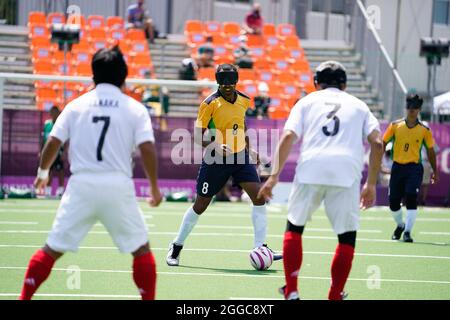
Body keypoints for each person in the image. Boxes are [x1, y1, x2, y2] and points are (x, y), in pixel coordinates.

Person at [19, 46, 163, 300]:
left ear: (93, 75)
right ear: (124, 75)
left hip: (81, 186)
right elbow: (148, 149)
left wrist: (43, 173)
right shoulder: (135, 108)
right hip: (117, 186)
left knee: (51, 249)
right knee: (141, 251)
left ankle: (24, 297)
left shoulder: (76, 106)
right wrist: (154, 188)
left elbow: (53, 143)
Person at [258, 61, 383, 300]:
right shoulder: (359, 106)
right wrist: (371, 184)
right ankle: (335, 294)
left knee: (295, 227)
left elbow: (287, 137)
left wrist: (273, 177)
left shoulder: (306, 102)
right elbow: (378, 143)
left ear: (316, 83)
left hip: (311, 169)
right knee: (346, 237)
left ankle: (292, 290)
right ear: (345, 84)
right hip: (347, 173)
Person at [166, 64, 282, 266]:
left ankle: (261, 246)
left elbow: (241, 125)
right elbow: (196, 136)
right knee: (201, 205)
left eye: (230, 82)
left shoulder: (245, 100)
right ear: (217, 82)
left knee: (259, 197)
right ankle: (176, 246)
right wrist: (215, 146)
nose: (226, 86)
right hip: (215, 159)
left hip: (240, 158)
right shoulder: (209, 103)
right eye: (222, 82)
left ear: (236, 81)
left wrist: (249, 149)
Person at [383, 94, 439, 243]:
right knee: (393, 202)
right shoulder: (395, 126)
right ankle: (400, 225)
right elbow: (382, 143)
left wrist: (435, 171)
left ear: (419, 109)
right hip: (397, 168)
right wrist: (378, 163)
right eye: (409, 106)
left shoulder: (424, 130)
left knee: (411, 196)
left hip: (414, 168)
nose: (411, 110)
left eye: (414, 107)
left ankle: (407, 232)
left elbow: (431, 151)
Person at [40, 106, 65, 197]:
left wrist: (65, 152)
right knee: (48, 170)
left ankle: (61, 189)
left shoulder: (61, 124)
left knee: (60, 170)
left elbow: (66, 140)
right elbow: (43, 139)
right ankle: (48, 189)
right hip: (49, 150)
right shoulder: (47, 124)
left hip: (59, 151)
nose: (53, 114)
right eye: (52, 112)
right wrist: (41, 151)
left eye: (55, 112)